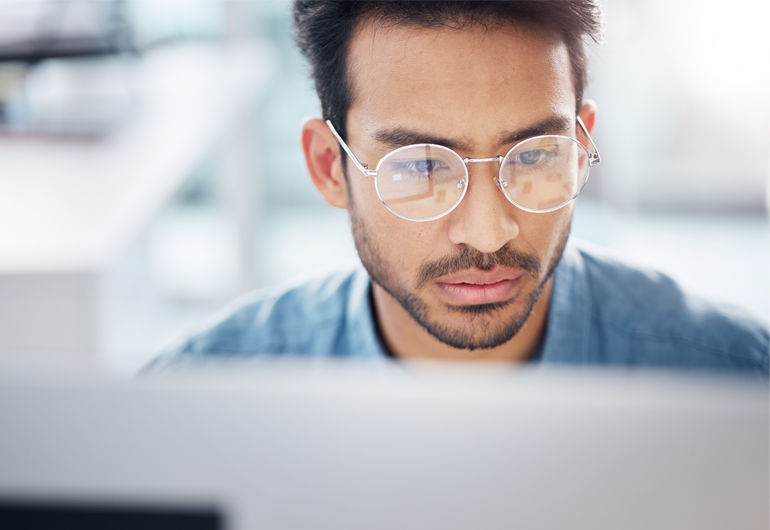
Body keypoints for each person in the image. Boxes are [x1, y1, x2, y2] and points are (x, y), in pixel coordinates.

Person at [157, 0, 768, 374]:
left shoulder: (734, 384)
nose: (487, 231)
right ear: (327, 167)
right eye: (422, 167)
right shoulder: (196, 400)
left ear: (582, 148)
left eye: (533, 156)